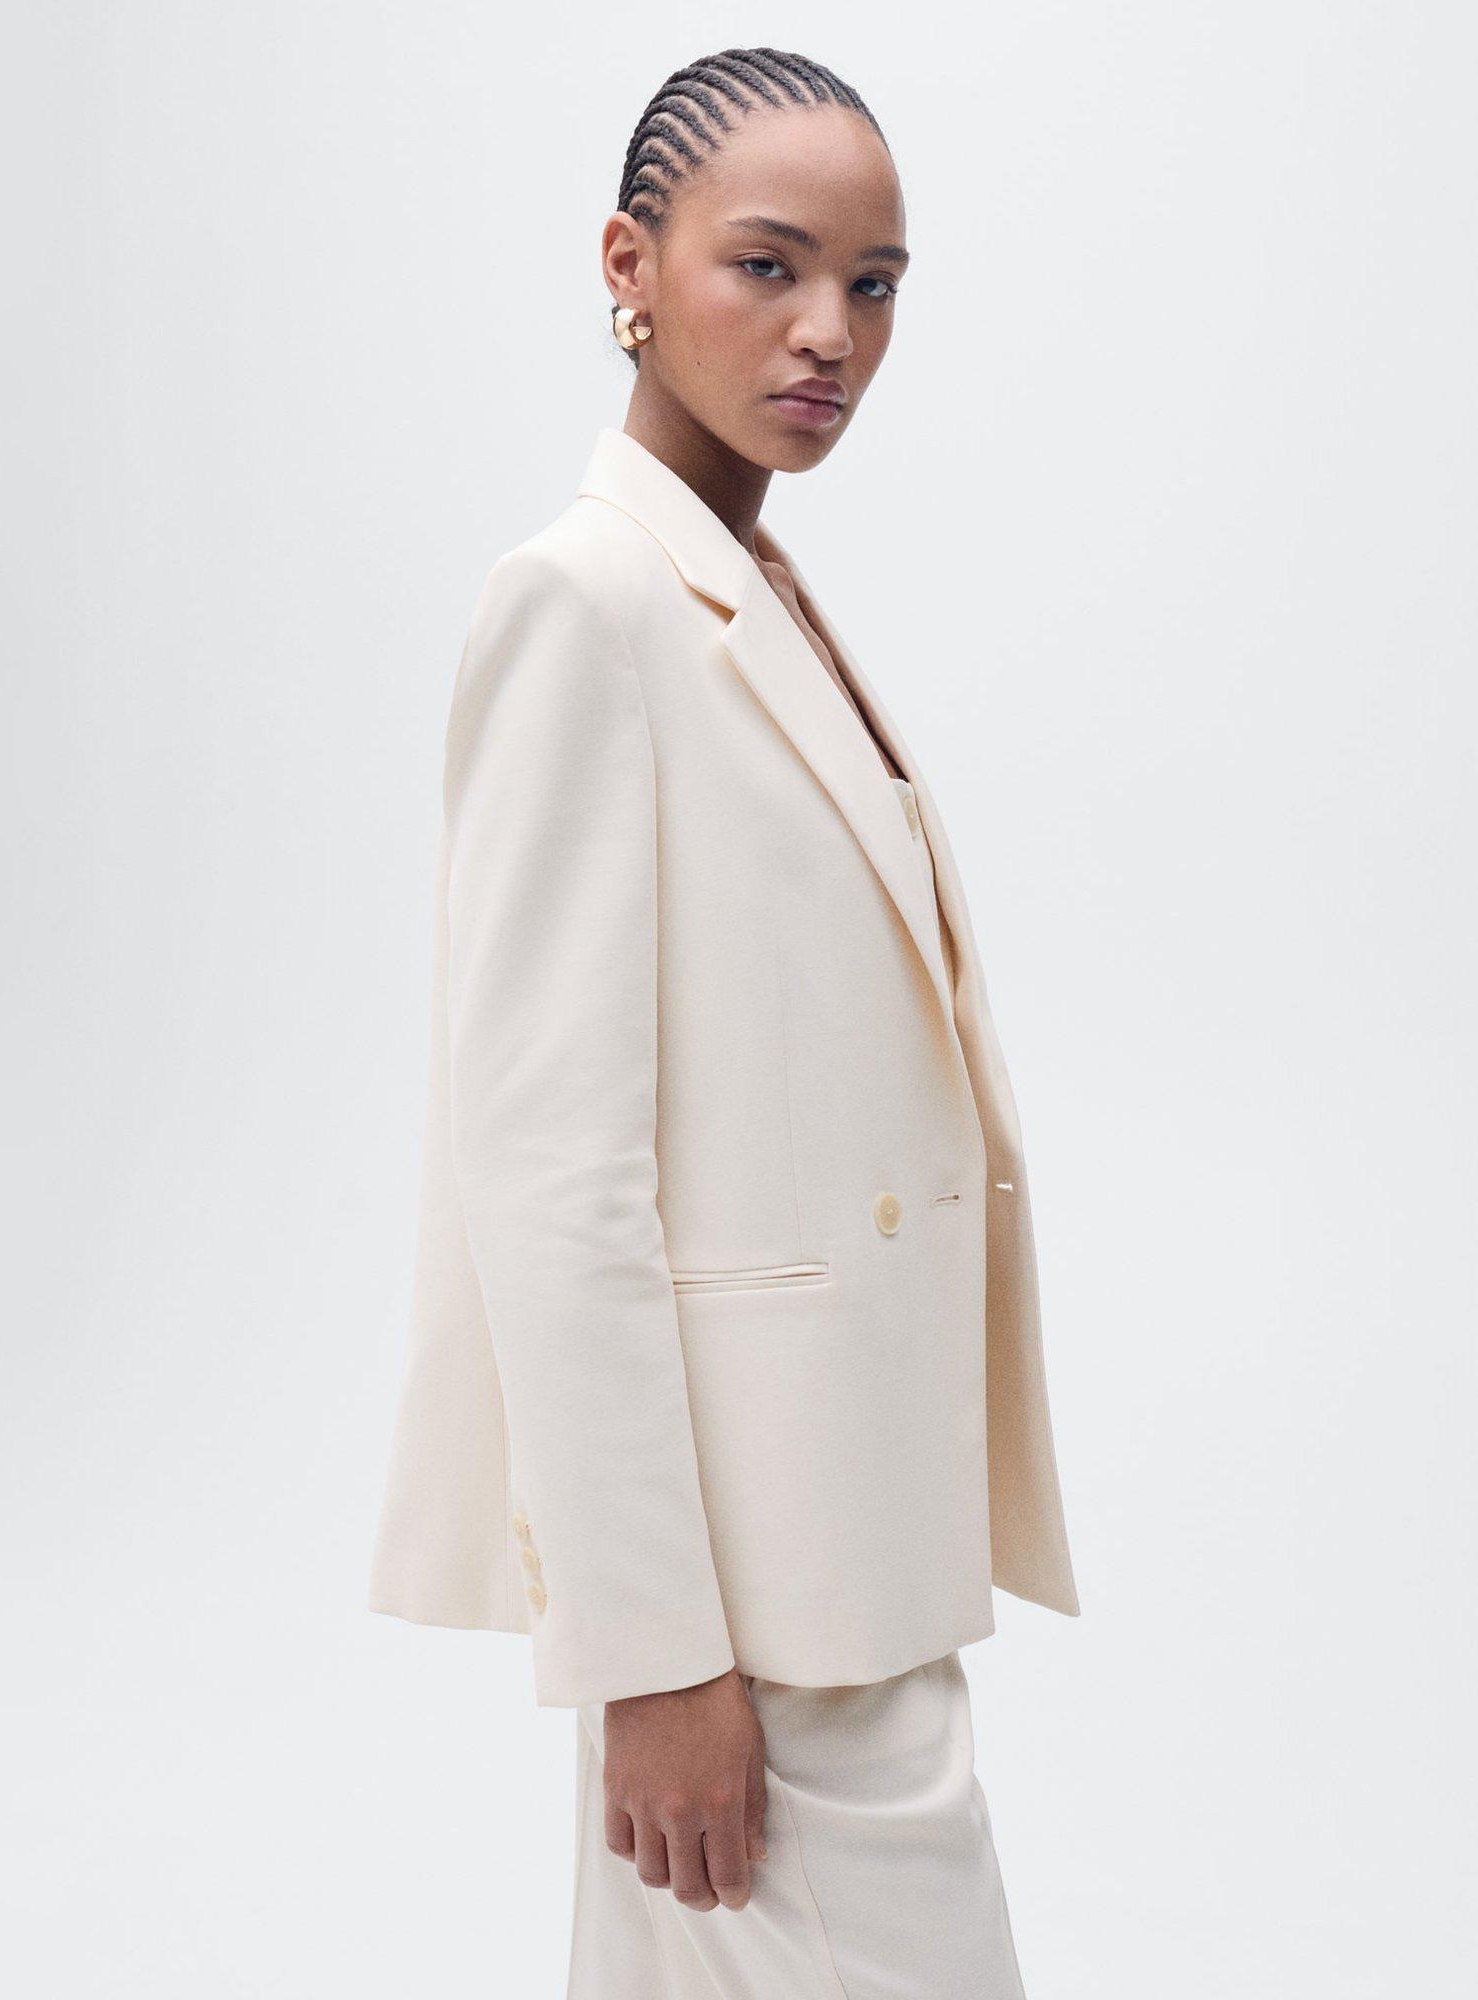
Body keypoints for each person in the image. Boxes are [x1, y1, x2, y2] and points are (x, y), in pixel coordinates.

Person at [369, 44, 1079, 1996]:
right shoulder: (586, 603)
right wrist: (652, 1655)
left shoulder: (750, 583)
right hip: (747, 1595)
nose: (828, 330)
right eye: (767, 265)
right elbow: (549, 1168)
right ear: (631, 262)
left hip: (844, 1538)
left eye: (874, 283)